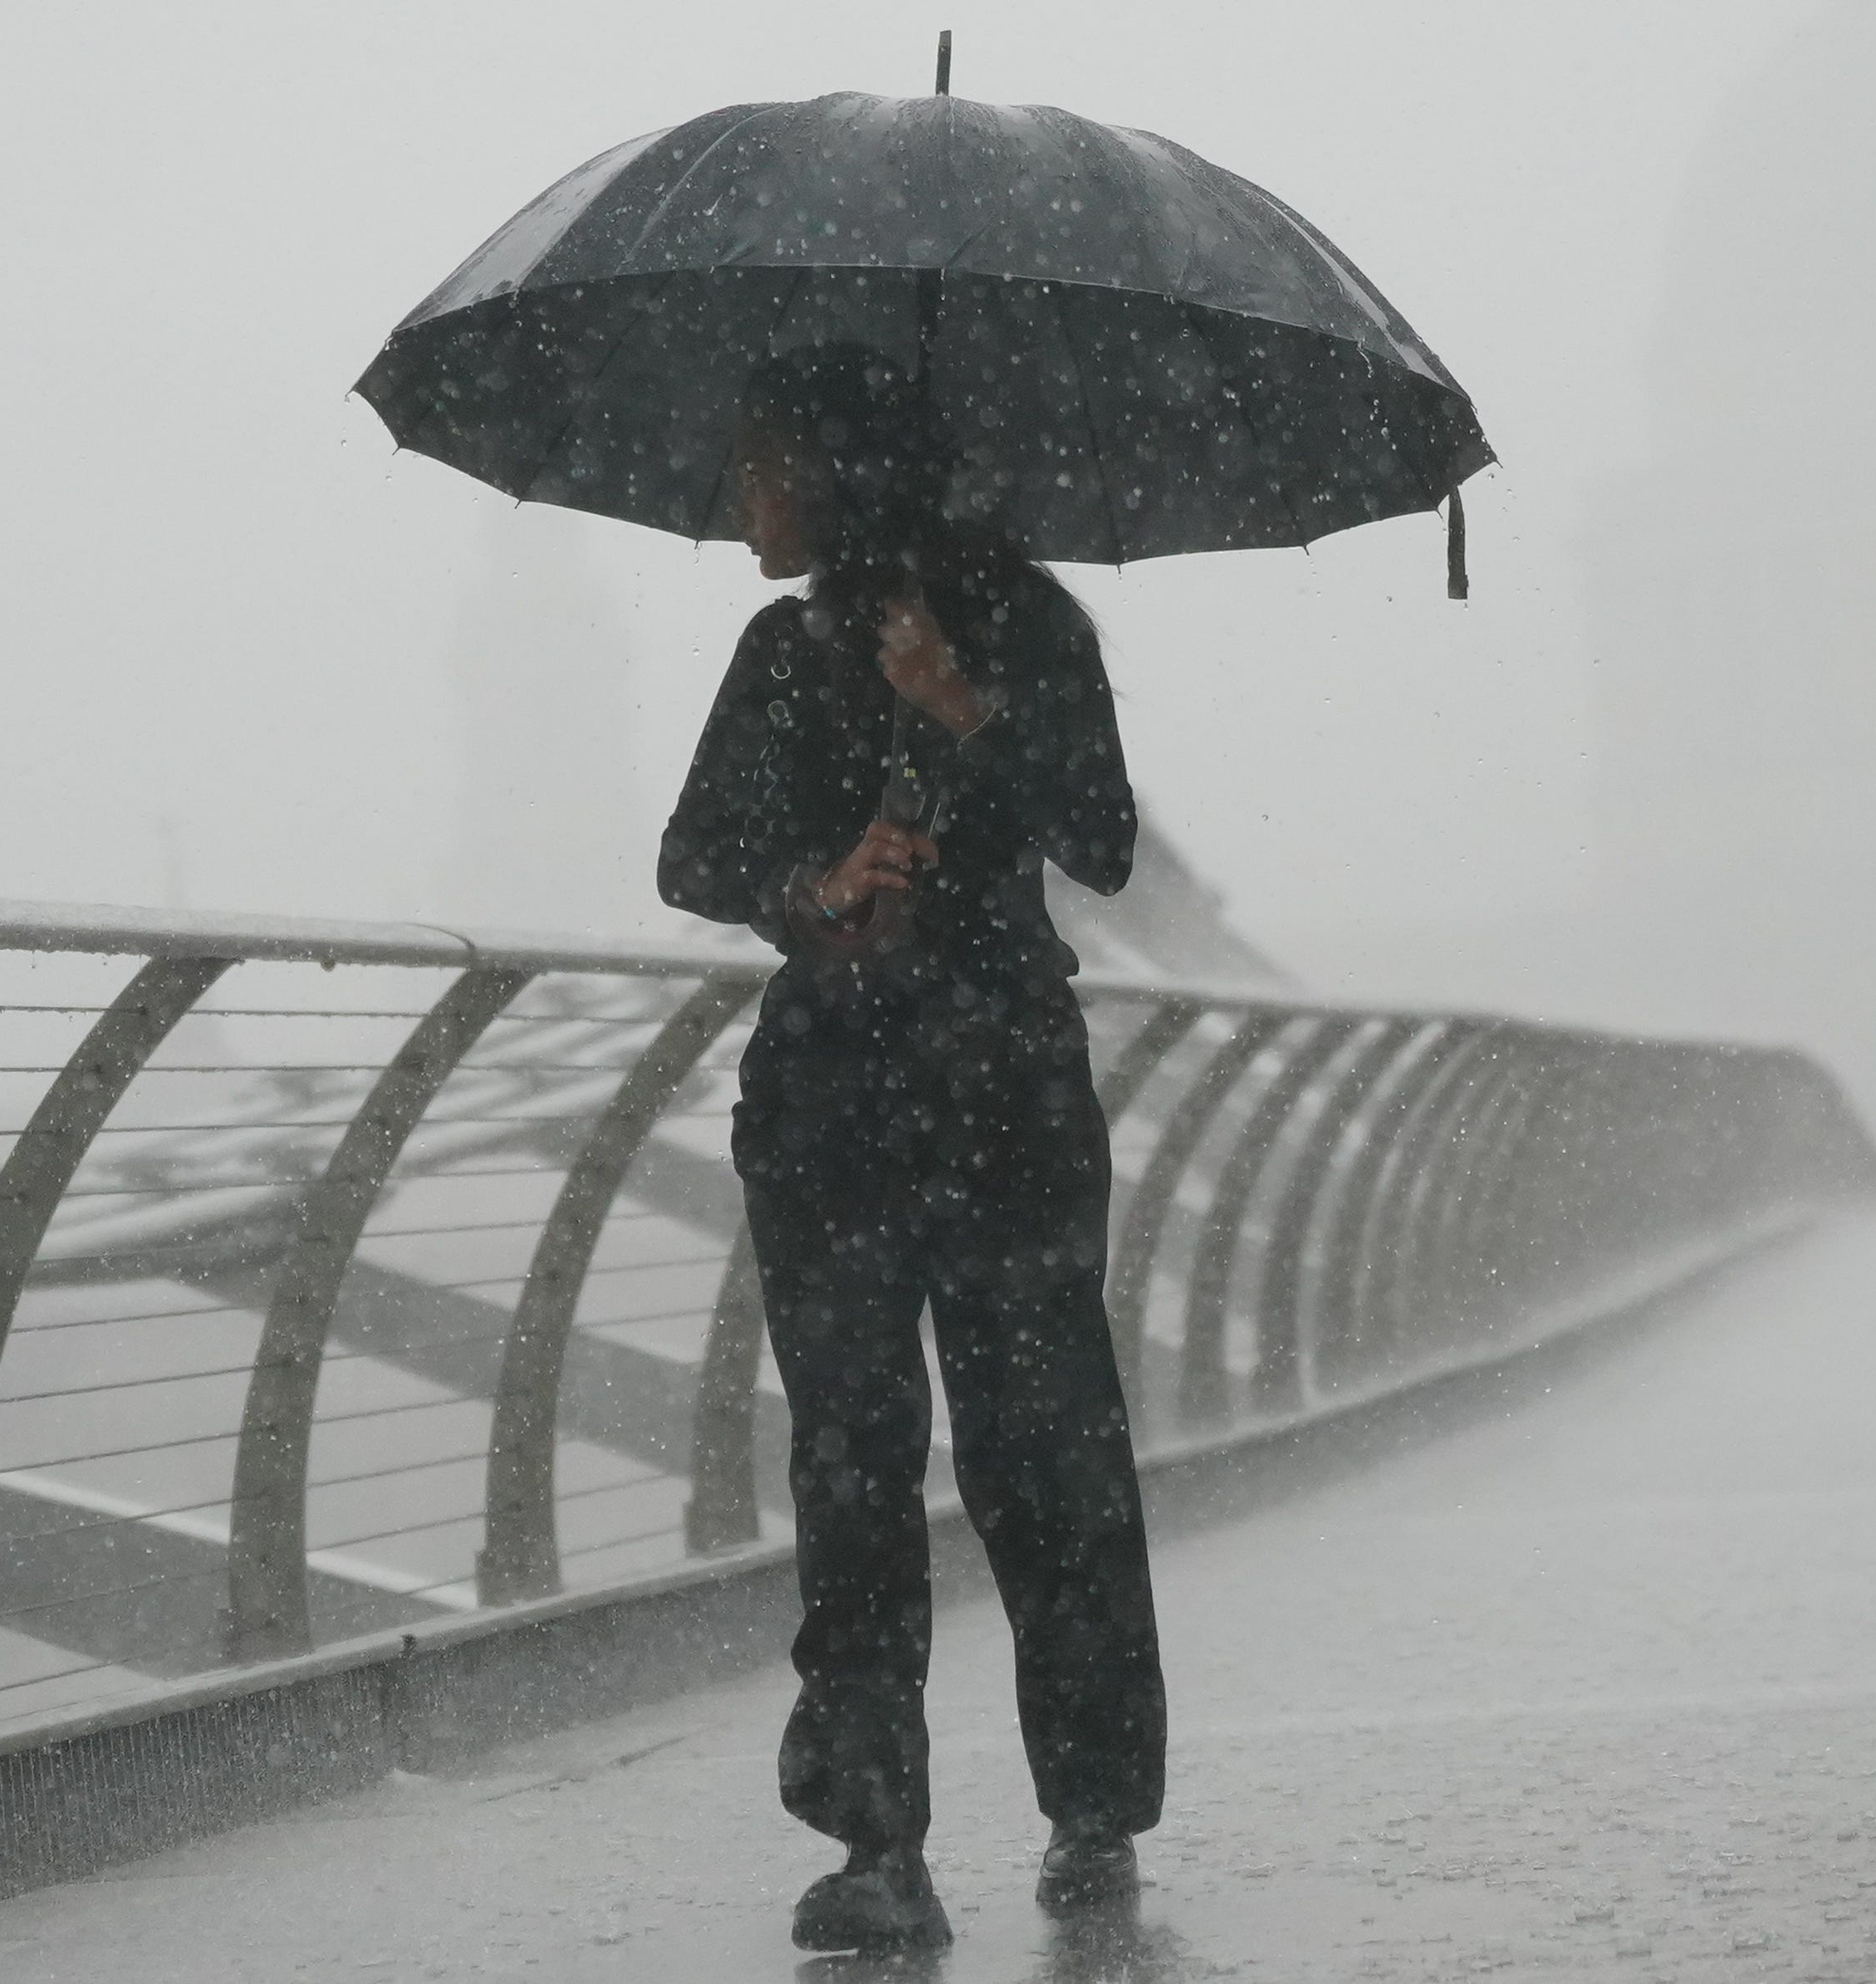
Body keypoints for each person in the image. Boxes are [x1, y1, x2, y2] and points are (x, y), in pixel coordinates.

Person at [659, 345, 1164, 1953]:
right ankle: (880, 1836)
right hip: (831, 1120)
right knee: (854, 1470)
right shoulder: (778, 653)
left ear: (837, 464)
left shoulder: (1026, 629)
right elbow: (691, 859)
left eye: (759, 461)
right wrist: (819, 883)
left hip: (1000, 1098)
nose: (742, 493)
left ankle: (1089, 1803)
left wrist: (966, 707)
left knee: (1041, 1454)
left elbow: (1100, 837)